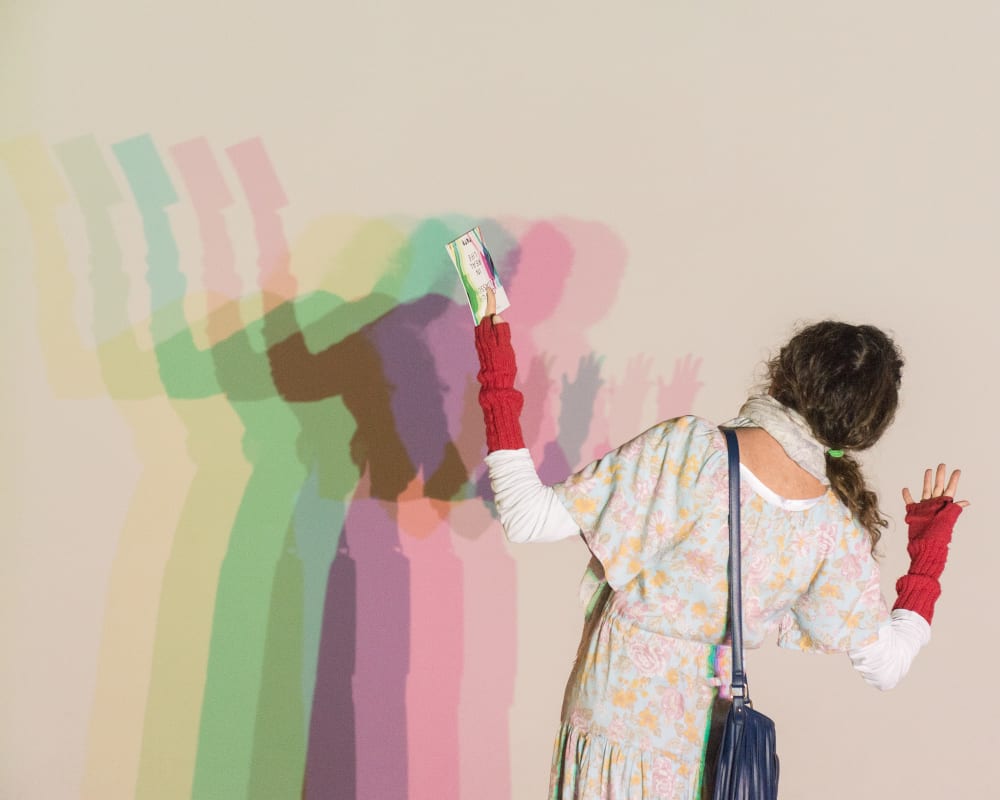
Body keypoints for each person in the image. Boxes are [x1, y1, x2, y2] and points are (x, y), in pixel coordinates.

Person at [473, 289, 968, 800]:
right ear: (865, 428)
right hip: (703, 752)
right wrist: (928, 556)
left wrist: (495, 364)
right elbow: (886, 665)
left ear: (786, 373)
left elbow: (527, 517)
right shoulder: (833, 531)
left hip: (611, 729)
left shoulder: (693, 451)